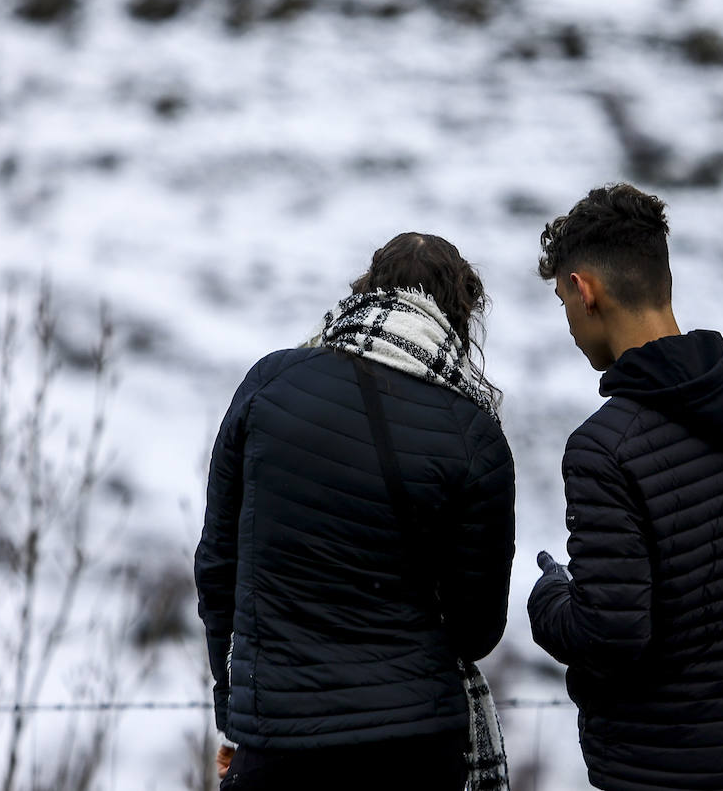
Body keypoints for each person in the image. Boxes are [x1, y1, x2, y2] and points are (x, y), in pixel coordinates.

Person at [527, 184, 723, 791]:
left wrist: (549, 602)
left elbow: (612, 634)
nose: (569, 325)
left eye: (563, 302)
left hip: (658, 777)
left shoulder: (604, 448)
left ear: (584, 290)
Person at [195, 232, 516, 790]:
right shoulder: (475, 434)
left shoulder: (270, 383)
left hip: (278, 742)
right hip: (416, 748)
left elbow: (218, 566)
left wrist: (234, 711)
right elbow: (476, 631)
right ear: (461, 316)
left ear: (365, 292)